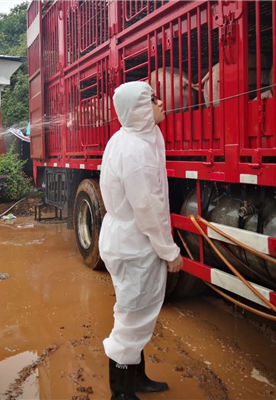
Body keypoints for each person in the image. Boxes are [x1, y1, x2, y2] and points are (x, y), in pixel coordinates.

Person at [99, 81, 184, 400]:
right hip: (135, 242)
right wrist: (169, 251)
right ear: (137, 111)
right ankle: (121, 392)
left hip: (130, 238)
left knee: (139, 310)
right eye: (152, 99)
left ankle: (137, 379)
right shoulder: (135, 150)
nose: (161, 103)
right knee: (133, 315)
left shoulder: (134, 137)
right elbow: (148, 207)